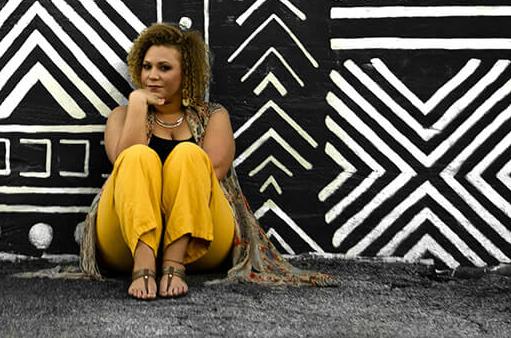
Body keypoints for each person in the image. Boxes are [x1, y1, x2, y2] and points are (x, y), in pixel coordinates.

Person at [78, 22, 336, 297]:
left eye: (164, 68)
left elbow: (214, 173)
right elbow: (123, 163)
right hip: (125, 241)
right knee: (137, 155)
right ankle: (144, 266)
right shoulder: (123, 115)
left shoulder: (214, 116)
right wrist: (138, 105)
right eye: (147, 66)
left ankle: (173, 265)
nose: (152, 76)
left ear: (186, 72)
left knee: (189, 154)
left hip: (197, 241)